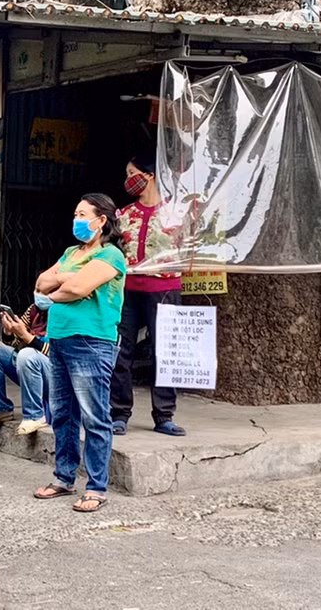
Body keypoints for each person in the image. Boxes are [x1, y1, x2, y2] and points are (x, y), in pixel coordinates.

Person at [32, 193, 126, 513]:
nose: (77, 219)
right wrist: (67, 277)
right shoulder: (72, 252)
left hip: (91, 341)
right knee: (63, 414)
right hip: (58, 340)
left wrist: (61, 284)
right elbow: (41, 282)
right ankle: (64, 477)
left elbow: (77, 289)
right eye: (75, 213)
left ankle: (97, 486)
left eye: (83, 214)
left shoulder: (111, 255)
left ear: (101, 221)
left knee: (94, 416)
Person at [112, 155, 187, 438]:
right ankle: (119, 413)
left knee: (165, 352)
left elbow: (190, 249)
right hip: (127, 291)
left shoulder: (176, 213)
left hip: (164, 290)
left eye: (132, 173)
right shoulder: (123, 215)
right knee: (121, 350)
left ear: (150, 174)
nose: (128, 180)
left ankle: (164, 415)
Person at [0, 304, 51, 436]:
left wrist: (27, 337)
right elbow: (14, 343)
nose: (39, 294)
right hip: (30, 369)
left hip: (56, 376)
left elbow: (59, 354)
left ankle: (34, 416)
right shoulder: (33, 310)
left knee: (26, 354)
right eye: (37, 290)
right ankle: (1, 409)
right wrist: (9, 332)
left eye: (43, 289)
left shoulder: (65, 312)